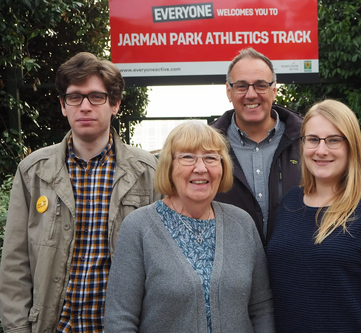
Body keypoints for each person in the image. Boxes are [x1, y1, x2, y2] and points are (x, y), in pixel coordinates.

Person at [0, 52, 161, 333]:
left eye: (96, 96)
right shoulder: (33, 171)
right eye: (75, 97)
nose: (85, 106)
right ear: (63, 105)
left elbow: (162, 264)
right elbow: (15, 263)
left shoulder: (148, 172)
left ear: (115, 104)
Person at [104, 121, 274, 333]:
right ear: (169, 166)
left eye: (211, 157)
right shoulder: (139, 227)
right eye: (187, 157)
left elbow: (261, 308)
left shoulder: (242, 224)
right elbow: (120, 319)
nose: (201, 168)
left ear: (222, 167)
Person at [267, 99, 361, 333]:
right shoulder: (290, 203)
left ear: (351, 147)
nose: (321, 150)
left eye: (334, 140)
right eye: (313, 139)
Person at [211, 47, 302, 246]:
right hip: (233, 273)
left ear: (274, 90)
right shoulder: (207, 147)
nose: (251, 94)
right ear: (229, 91)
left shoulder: (307, 141)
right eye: (241, 86)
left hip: (297, 269)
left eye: (261, 85)